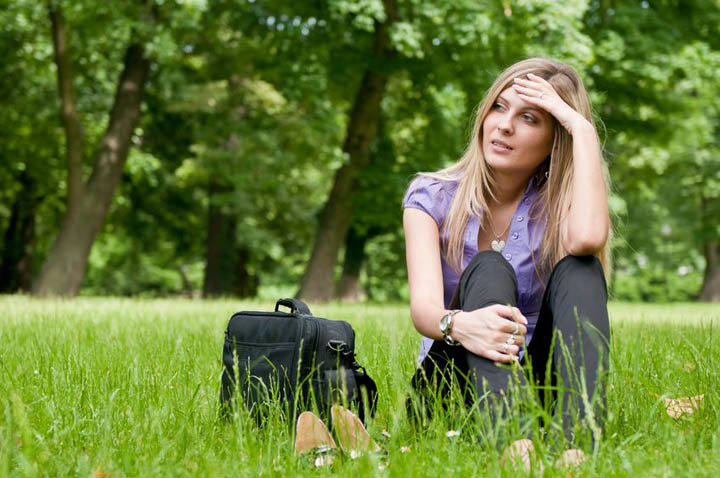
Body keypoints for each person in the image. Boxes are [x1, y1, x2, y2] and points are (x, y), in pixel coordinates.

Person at [402, 57, 611, 468]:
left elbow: (587, 239)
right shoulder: (431, 196)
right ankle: (515, 446)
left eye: (529, 117)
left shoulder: (559, 206)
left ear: (555, 139)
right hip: (453, 382)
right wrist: (466, 326)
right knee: (489, 265)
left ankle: (576, 446)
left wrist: (583, 131)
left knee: (582, 266)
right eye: (499, 107)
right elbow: (424, 310)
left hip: (536, 387)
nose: (504, 125)